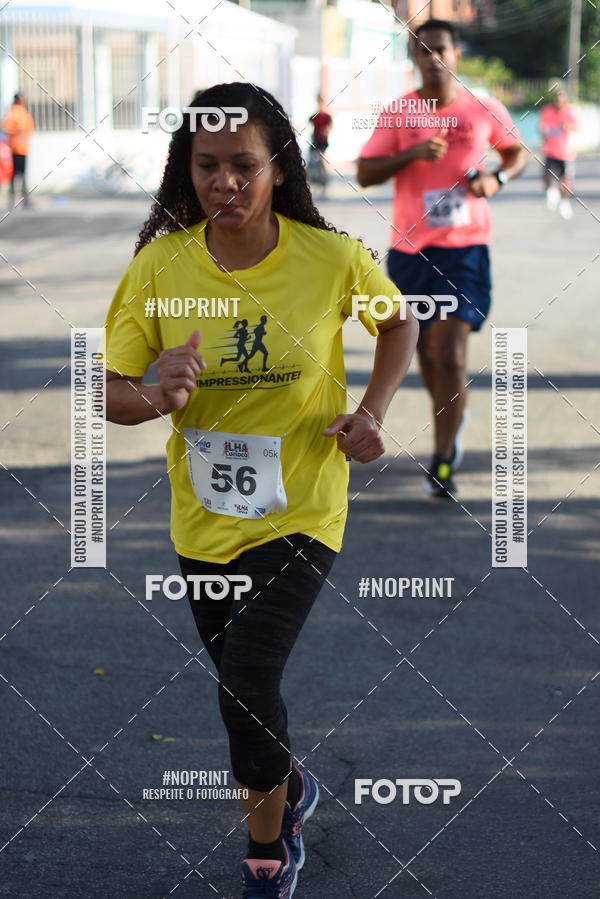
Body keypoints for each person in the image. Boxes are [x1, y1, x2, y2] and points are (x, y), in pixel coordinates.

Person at [105, 82, 418, 898]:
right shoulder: (158, 268)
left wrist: (373, 410)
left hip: (305, 506)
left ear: (279, 166)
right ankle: (289, 782)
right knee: (247, 695)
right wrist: (156, 393)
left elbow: (398, 320)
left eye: (244, 165)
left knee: (245, 681)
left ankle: (269, 847)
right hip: (203, 518)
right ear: (186, 170)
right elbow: (105, 392)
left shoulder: (330, 257)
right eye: (207, 166)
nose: (225, 183)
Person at [357, 18, 528, 499]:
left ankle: (443, 457)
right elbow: (366, 173)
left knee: (450, 354)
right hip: (410, 251)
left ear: (456, 54)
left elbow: (515, 153)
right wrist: (410, 153)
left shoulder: (482, 108)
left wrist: (497, 180)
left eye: (442, 49)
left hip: (465, 248)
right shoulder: (399, 112)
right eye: (423, 50)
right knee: (427, 353)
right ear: (413, 57)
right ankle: (451, 416)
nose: (433, 58)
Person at [539, 86, 578, 220]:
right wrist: (545, 133)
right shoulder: (547, 110)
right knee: (546, 175)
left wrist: (566, 126)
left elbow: (577, 126)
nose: (558, 103)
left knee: (565, 180)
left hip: (566, 153)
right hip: (550, 150)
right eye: (556, 100)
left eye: (561, 100)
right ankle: (551, 192)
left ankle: (565, 203)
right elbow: (542, 127)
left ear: (565, 101)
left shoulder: (570, 111)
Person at [1, 92, 34, 207]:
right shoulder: (13, 112)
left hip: (23, 149)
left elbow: (28, 128)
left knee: (23, 174)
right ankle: (12, 198)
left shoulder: (23, 111)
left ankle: (25, 198)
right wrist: (16, 132)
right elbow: (6, 127)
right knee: (14, 174)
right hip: (15, 149)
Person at [307, 95, 333, 191]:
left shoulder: (326, 117)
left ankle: (324, 179)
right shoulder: (314, 116)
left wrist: (326, 131)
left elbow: (330, 126)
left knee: (321, 160)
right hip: (314, 142)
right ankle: (312, 180)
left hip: (323, 142)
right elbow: (307, 125)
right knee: (311, 161)